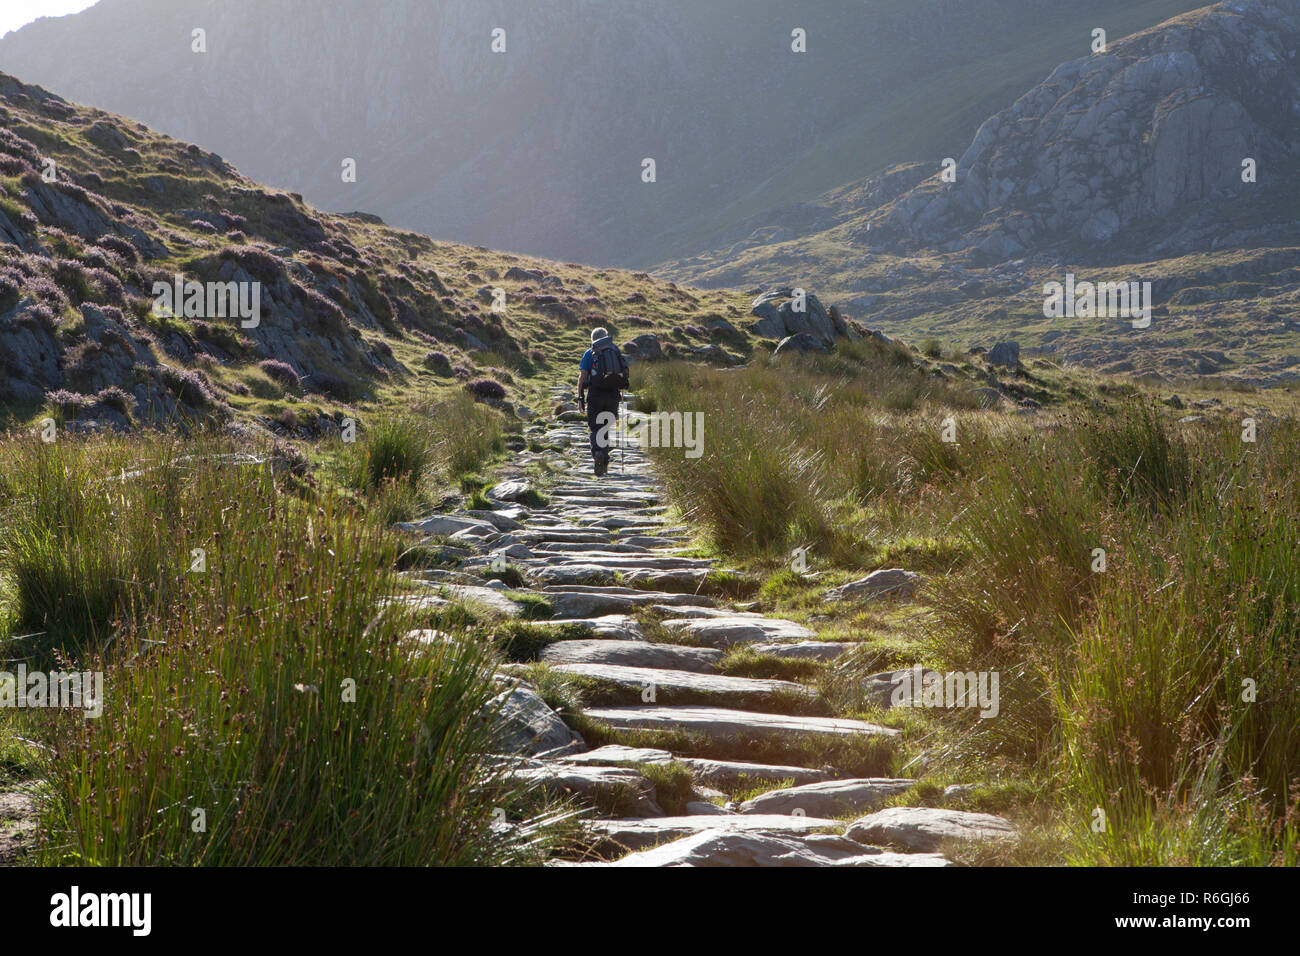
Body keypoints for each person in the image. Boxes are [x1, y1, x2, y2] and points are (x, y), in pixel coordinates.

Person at [576, 326, 629, 476]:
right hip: (613, 396)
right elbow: (624, 372)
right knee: (605, 429)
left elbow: (582, 378)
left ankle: (598, 453)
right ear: (606, 337)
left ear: (592, 339)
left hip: (595, 395)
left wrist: (580, 399)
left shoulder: (589, 353)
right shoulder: (615, 351)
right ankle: (604, 462)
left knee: (595, 428)